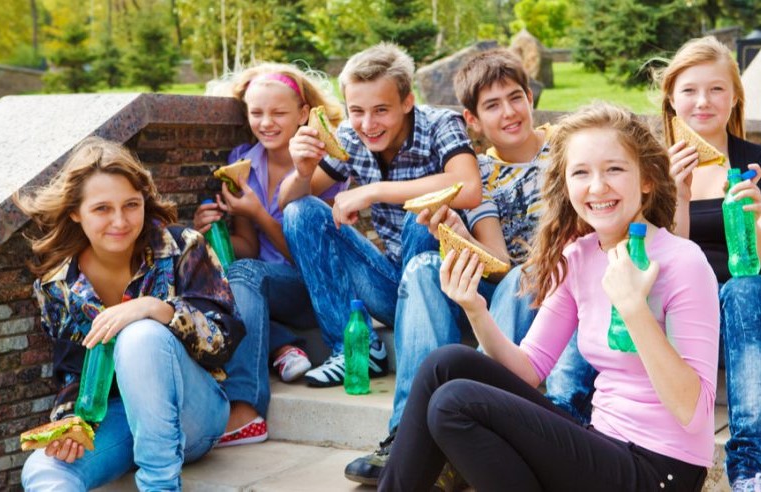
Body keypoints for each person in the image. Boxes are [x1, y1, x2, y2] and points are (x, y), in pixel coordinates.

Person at [379, 103, 720, 491]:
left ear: (646, 179)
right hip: (602, 442)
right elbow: (529, 369)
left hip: (661, 470)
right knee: (446, 363)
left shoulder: (683, 262)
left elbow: (694, 414)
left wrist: (633, 309)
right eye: (581, 173)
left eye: (614, 169)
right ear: (566, 184)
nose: (597, 186)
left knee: (454, 403)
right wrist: (475, 308)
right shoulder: (580, 256)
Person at [345, 47, 551, 485]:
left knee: (521, 275)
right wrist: (460, 232)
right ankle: (406, 433)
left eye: (516, 98)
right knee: (422, 266)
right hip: (504, 289)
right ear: (472, 120)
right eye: (492, 105)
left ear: (531, 97)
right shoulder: (482, 175)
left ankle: (470, 419)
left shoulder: (568, 153)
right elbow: (498, 263)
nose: (509, 113)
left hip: (554, 292)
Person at [15, 137, 243, 490]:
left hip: (194, 414)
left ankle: (159, 485)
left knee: (141, 334)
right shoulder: (57, 285)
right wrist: (71, 423)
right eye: (102, 208)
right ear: (76, 212)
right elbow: (71, 371)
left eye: (131, 205)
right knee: (43, 470)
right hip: (119, 417)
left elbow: (223, 343)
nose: (120, 221)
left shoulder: (183, 248)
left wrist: (157, 309)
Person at [279, 42, 482, 387]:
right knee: (302, 213)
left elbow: (468, 185)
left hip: (446, 292)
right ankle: (355, 351)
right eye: (356, 110)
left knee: (424, 216)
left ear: (407, 102)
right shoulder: (350, 137)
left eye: (381, 110)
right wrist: (301, 171)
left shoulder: (440, 124)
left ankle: (424, 354)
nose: (368, 124)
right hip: (391, 286)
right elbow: (288, 203)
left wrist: (371, 191)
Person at [662, 36, 761, 491]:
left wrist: (748, 214)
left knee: (747, 287)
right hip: (679, 314)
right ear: (672, 99)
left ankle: (755, 473)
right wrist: (676, 193)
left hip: (746, 308)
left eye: (717, 89)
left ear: (734, 96)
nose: (703, 102)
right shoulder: (651, 167)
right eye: (690, 90)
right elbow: (664, 258)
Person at [194, 62, 346, 446]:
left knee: (244, 273)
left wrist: (257, 212)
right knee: (212, 267)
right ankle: (279, 342)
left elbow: (309, 260)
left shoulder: (326, 162)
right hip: (261, 286)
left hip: (315, 290)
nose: (266, 123)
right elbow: (245, 248)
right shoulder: (244, 158)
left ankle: (245, 407)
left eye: (279, 113)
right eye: (256, 113)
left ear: (303, 114)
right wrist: (213, 230)